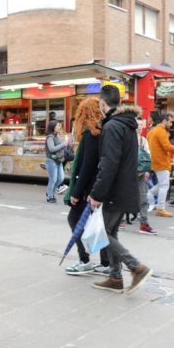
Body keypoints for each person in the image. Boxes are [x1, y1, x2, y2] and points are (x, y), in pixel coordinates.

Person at [87, 85, 151, 294]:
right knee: (111, 231)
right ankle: (115, 278)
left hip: (114, 189)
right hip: (125, 186)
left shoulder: (112, 126)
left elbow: (109, 163)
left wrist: (97, 193)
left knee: (103, 233)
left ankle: (136, 267)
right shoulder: (128, 124)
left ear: (102, 103)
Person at [63, 97, 110, 275]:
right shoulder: (104, 131)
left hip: (90, 190)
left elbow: (87, 167)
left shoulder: (91, 134)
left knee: (74, 219)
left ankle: (85, 260)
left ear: (83, 114)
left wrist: (75, 192)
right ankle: (106, 263)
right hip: (101, 186)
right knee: (100, 224)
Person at [136, 123, 158, 234]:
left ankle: (144, 224)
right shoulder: (126, 139)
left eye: (141, 125)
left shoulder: (143, 140)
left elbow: (148, 156)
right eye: (138, 125)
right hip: (127, 173)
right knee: (124, 197)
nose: (140, 127)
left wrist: (147, 170)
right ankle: (120, 220)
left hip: (140, 173)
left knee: (143, 199)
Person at [45, 121, 66, 203]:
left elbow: (61, 146)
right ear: (53, 127)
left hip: (59, 160)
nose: (59, 127)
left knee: (60, 178)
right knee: (53, 179)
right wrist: (63, 144)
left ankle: (49, 192)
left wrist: (64, 142)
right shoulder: (50, 137)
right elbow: (51, 149)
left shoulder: (57, 135)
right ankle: (50, 196)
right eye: (58, 126)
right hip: (51, 160)